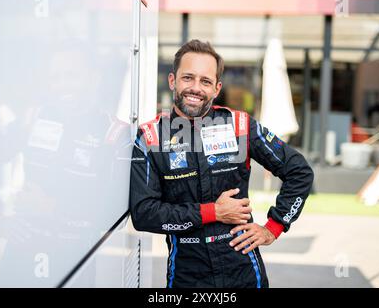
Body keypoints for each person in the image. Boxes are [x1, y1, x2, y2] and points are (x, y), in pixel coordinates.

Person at [129, 39, 314, 288]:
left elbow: (299, 172)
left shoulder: (239, 126)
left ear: (216, 88)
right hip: (187, 276)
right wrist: (213, 212)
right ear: (172, 81)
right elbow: (144, 214)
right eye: (188, 78)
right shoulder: (151, 137)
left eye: (205, 81)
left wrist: (274, 227)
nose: (195, 88)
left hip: (244, 273)